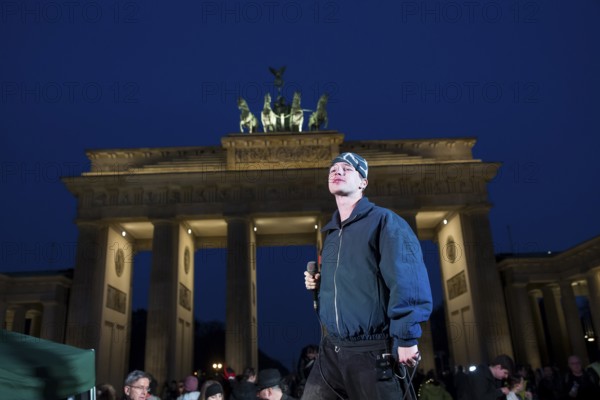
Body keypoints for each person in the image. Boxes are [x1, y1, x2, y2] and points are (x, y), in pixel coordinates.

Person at [302, 152, 433, 399]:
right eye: (333, 170)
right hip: (332, 350)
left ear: (363, 182)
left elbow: (408, 279)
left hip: (371, 350)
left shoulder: (385, 222)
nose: (337, 172)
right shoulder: (330, 235)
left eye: (347, 169)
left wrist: (406, 337)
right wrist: (319, 284)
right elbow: (349, 283)